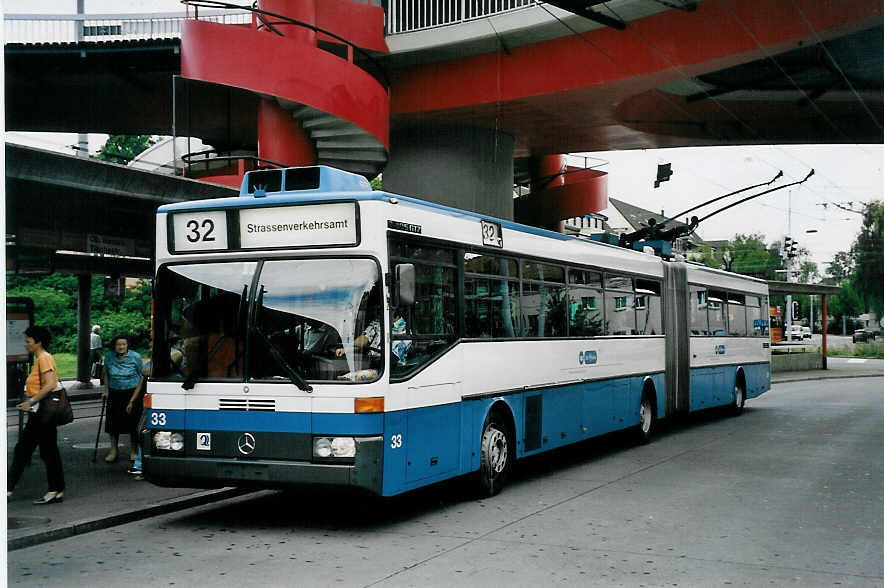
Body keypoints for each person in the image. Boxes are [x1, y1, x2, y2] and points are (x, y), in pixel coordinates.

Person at [7, 326, 66, 505]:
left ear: (38, 342)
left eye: (28, 341)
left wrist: (30, 402)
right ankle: (57, 489)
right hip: (40, 412)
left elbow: (49, 385)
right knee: (48, 451)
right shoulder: (41, 358)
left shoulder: (44, 358)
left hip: (41, 412)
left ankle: (8, 489)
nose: (26, 344)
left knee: (24, 450)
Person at [102, 335, 144, 463]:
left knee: (132, 423)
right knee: (113, 424)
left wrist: (132, 400)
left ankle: (133, 450)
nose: (121, 347)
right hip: (114, 394)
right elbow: (106, 374)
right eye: (118, 344)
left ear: (127, 345)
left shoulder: (135, 357)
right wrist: (106, 390)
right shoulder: (109, 357)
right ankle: (113, 450)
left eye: (123, 344)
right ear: (114, 346)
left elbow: (142, 377)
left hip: (131, 393)